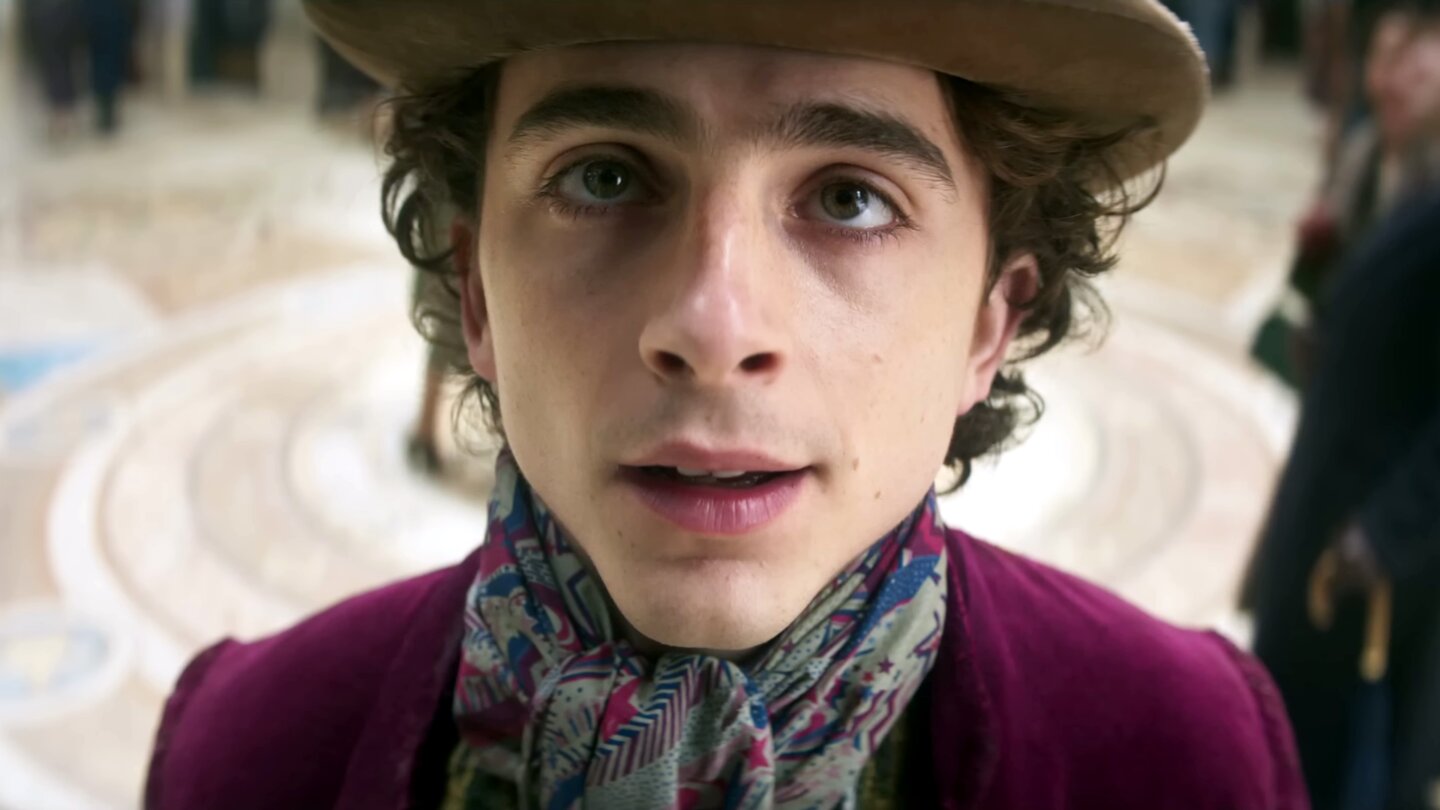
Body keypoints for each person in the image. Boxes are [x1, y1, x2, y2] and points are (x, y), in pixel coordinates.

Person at [144, 1, 1310, 807]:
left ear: (987, 324)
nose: (713, 327)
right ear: (477, 293)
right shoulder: (243, 753)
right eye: (605, 176)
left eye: (849, 199)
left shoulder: (1191, 759)